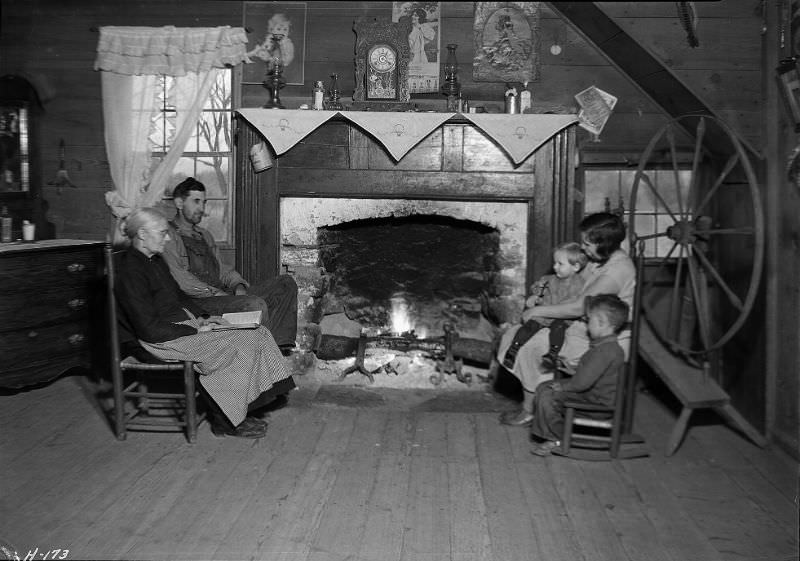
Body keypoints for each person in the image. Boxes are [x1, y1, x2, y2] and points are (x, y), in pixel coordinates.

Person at [115, 207, 296, 439]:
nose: (168, 237)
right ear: (141, 234)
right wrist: (196, 330)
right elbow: (148, 329)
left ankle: (253, 402)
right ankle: (226, 421)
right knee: (231, 347)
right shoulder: (130, 271)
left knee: (257, 332)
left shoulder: (155, 260)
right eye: (162, 233)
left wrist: (203, 317)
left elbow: (179, 296)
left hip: (179, 326)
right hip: (159, 339)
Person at [499, 212, 635, 427]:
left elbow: (579, 306)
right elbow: (565, 284)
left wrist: (538, 311)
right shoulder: (597, 259)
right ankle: (539, 404)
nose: (583, 248)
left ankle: (532, 409)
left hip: (603, 340)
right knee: (515, 335)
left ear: (605, 244)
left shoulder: (618, 271)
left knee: (532, 346)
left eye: (587, 244)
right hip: (581, 327)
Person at [162, 177, 298, 351]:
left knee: (285, 284)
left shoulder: (204, 235)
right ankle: (264, 357)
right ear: (179, 203)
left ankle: (279, 348)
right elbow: (182, 281)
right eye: (196, 201)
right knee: (254, 305)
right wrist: (218, 294)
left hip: (221, 295)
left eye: (204, 202)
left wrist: (238, 285)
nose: (201, 209)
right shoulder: (168, 236)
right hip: (197, 303)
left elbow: (222, 269)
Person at [529, 294, 630, 456]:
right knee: (544, 387)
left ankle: (557, 437)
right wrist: (569, 369)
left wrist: (563, 386)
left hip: (597, 404)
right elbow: (590, 374)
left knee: (548, 394)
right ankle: (554, 432)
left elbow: (582, 384)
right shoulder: (605, 347)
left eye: (589, 321)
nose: (587, 325)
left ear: (602, 323)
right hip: (592, 395)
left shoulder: (605, 350)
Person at [498, 241, 588, 372]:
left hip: (560, 317)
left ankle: (552, 353)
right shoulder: (549, 279)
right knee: (530, 326)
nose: (555, 267)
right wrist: (534, 297)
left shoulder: (579, 284)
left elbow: (573, 304)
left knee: (559, 327)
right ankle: (513, 349)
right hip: (542, 314)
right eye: (555, 263)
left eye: (560, 264)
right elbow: (539, 290)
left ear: (575, 267)